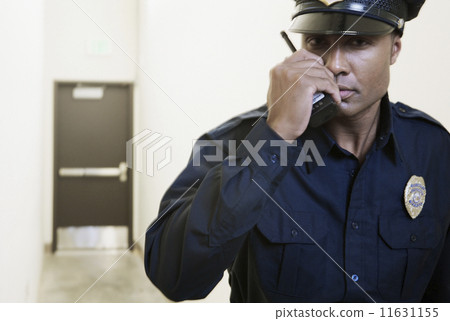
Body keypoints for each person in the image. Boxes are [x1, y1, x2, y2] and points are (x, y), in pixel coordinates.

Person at [144, 0, 449, 302]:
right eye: (317, 42)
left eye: (358, 42)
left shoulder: (433, 148)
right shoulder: (236, 143)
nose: (334, 65)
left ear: (394, 49)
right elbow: (174, 278)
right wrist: (275, 136)